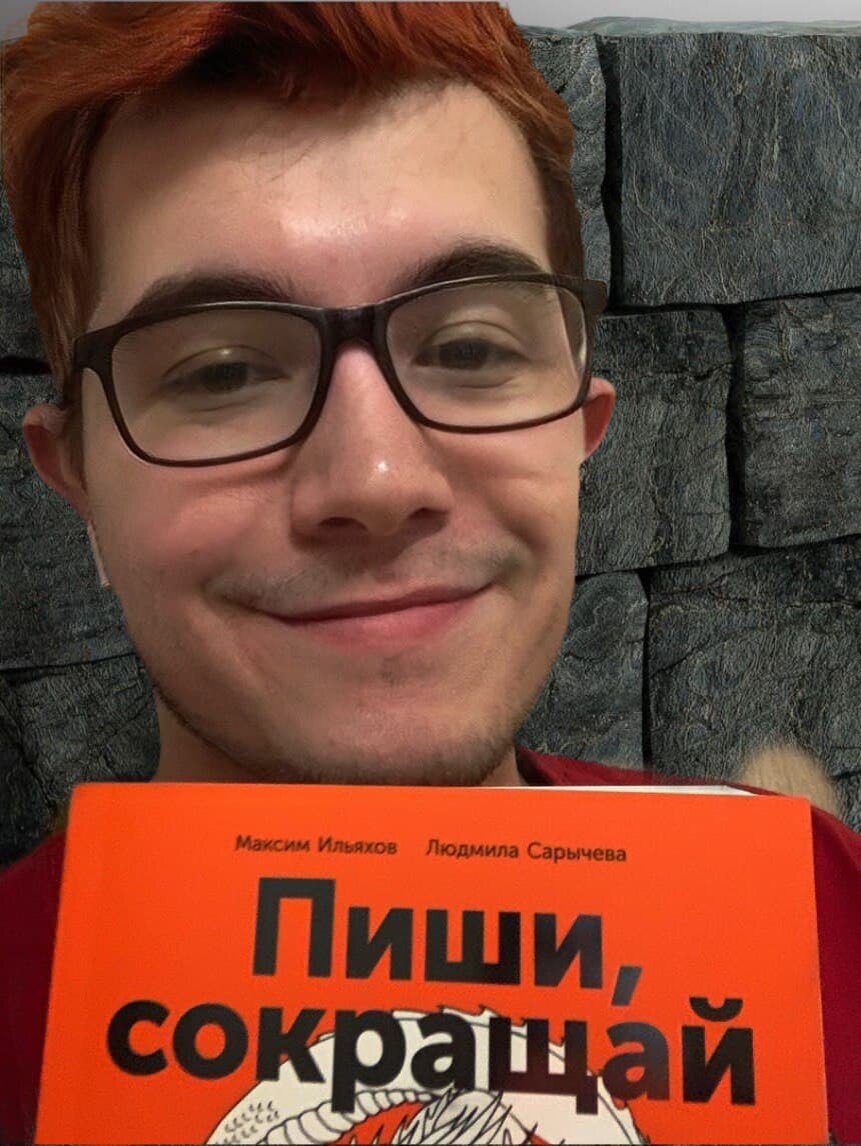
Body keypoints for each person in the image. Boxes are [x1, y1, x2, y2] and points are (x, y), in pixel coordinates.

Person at [0, 4, 857, 1143]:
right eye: (219, 372)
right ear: (80, 487)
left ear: (581, 432)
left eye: (468, 348)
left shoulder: (820, 906)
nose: (377, 478)